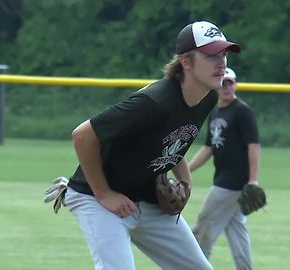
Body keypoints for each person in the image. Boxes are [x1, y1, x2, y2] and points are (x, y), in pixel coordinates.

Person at [63, 21, 240, 270]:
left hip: (147, 198)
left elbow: (173, 137)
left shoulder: (208, 96)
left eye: (223, 54)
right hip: (97, 198)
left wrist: (185, 181)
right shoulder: (153, 102)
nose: (221, 63)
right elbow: (82, 136)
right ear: (186, 62)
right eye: (211, 55)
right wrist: (104, 193)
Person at [188, 67, 261, 270]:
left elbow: (254, 146)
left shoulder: (242, 111)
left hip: (232, 182)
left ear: (235, 85)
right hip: (224, 178)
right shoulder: (216, 112)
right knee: (236, 228)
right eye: (223, 83)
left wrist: (253, 180)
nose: (227, 87)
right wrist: (186, 170)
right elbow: (208, 147)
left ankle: (195, 266)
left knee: (204, 224)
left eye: (230, 83)